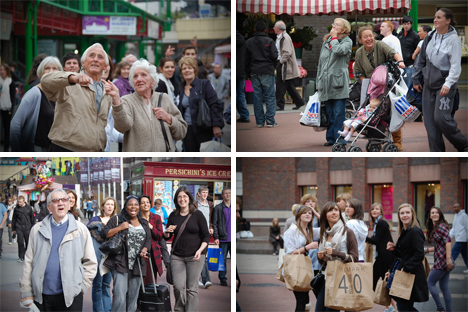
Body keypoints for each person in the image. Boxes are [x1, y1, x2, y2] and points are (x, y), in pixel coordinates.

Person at [19, 189, 97, 311]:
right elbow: (28, 262)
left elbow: (91, 262)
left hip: (71, 296)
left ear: (69, 204)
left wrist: (81, 287)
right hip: (42, 296)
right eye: (56, 200)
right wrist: (26, 291)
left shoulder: (81, 230)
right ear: (49, 207)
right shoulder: (37, 230)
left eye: (64, 200)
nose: (60, 203)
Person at [413, 8, 468, 152]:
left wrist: (449, 83)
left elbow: (456, 66)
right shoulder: (430, 36)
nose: (434, 20)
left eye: (439, 17)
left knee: (441, 118)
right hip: (428, 86)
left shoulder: (454, 40)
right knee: (430, 123)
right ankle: (437, 154)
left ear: (448, 20)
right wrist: (416, 78)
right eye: (434, 17)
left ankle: (463, 145)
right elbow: (421, 60)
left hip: (444, 86)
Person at [41, 43, 112, 152]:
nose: (95, 60)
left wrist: (117, 100)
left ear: (106, 66)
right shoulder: (70, 82)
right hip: (65, 150)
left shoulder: (107, 91)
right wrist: (72, 78)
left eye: (100, 57)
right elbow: (45, 81)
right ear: (83, 63)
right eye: (91, 56)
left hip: (95, 152)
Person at [107, 58, 187, 152]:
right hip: (138, 161)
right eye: (135, 76)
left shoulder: (164, 98)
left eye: (143, 75)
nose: (139, 79)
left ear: (152, 81)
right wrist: (116, 99)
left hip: (164, 160)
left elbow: (181, 132)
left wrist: (169, 118)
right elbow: (122, 126)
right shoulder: (126, 100)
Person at [354, 26, 405, 151]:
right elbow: (359, 72)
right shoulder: (359, 53)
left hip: (387, 84)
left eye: (371, 35)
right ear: (360, 39)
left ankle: (397, 141)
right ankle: (376, 140)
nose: (369, 38)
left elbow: (393, 53)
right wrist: (368, 84)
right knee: (372, 112)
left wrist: (400, 62)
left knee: (390, 111)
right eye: (365, 37)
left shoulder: (380, 45)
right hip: (371, 88)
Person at [101, 195, 151, 312]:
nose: (133, 207)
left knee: (133, 297)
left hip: (137, 263)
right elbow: (104, 233)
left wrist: (145, 249)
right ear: (125, 206)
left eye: (136, 204)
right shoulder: (117, 220)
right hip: (120, 262)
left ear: (139, 207)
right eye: (130, 204)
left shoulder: (143, 222)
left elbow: (148, 240)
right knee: (119, 296)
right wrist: (119, 228)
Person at [163, 186, 210, 312]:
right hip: (177, 256)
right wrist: (167, 231)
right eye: (179, 197)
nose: (182, 199)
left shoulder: (197, 214)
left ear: (189, 198)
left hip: (195, 256)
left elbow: (206, 235)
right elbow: (167, 236)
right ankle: (179, 309)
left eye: (184, 196)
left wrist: (200, 250)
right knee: (178, 287)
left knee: (191, 287)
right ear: (176, 199)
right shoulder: (173, 215)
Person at [315, 201, 359, 312]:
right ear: (325, 215)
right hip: (327, 278)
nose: (334, 213)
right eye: (330, 210)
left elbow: (355, 257)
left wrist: (336, 253)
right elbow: (324, 263)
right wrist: (320, 257)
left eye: (336, 210)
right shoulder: (324, 234)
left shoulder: (348, 232)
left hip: (342, 280)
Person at [385, 203, 429, 311]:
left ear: (412, 214)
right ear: (399, 216)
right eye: (402, 213)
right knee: (404, 306)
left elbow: (419, 254)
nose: (405, 215)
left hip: (411, 275)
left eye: (407, 213)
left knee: (404, 307)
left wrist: (406, 268)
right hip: (405, 272)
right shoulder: (405, 230)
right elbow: (404, 253)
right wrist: (394, 249)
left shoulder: (414, 231)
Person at [316, 18, 353, 146]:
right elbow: (321, 63)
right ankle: (331, 138)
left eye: (337, 25)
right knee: (330, 113)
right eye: (333, 24)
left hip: (338, 82)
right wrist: (318, 82)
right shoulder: (326, 42)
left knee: (338, 113)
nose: (333, 26)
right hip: (325, 82)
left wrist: (334, 38)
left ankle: (340, 138)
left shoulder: (347, 41)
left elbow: (339, 51)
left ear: (343, 29)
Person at [177, 56, 223, 151]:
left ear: (195, 70)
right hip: (187, 130)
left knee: (205, 158)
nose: (187, 70)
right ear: (181, 72)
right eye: (184, 68)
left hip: (204, 128)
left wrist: (216, 125)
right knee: (192, 158)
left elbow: (214, 105)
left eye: (189, 68)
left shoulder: (205, 84)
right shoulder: (181, 87)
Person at [283, 205, 320, 311]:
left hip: (305, 267)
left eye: (310, 213)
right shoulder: (292, 230)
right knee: (301, 299)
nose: (308, 214)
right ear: (299, 216)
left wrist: (316, 213)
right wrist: (308, 247)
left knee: (304, 300)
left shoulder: (310, 230)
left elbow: (327, 228)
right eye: (305, 213)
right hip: (296, 267)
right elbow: (290, 252)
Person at [245, 20, 278, 128]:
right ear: (265, 30)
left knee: (257, 97)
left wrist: (248, 73)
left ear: (254, 30)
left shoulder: (248, 42)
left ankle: (259, 122)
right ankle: (270, 120)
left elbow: (246, 59)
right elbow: (274, 56)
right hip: (267, 70)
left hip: (254, 71)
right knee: (270, 97)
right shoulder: (269, 41)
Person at [87, 197, 118, 312]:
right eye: (107, 204)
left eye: (112, 204)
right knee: (97, 286)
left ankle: (107, 309)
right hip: (98, 257)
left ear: (114, 207)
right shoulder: (95, 219)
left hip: (110, 258)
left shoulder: (116, 221)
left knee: (106, 285)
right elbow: (87, 234)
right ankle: (99, 310)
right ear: (103, 206)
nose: (110, 206)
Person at [365, 203, 396, 312]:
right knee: (382, 282)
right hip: (382, 257)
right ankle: (390, 307)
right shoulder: (378, 224)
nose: (374, 211)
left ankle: (393, 308)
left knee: (380, 282)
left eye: (376, 209)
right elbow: (375, 239)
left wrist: (363, 237)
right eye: (372, 209)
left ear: (381, 211)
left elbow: (376, 240)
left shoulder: (381, 223)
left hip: (385, 257)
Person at [425, 206, 454, 312]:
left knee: (430, 283)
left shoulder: (442, 226)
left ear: (440, 214)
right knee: (444, 287)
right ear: (430, 215)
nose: (434, 214)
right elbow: (439, 246)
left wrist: (448, 259)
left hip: (443, 260)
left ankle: (440, 308)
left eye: (436, 212)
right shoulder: (436, 227)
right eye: (432, 213)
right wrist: (427, 250)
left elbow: (448, 242)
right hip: (442, 259)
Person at [274, 21, 305, 111]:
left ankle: (280, 104)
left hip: (284, 65)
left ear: (279, 29)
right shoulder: (281, 37)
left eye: (274, 27)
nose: (273, 29)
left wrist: (280, 61)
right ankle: (299, 101)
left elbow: (287, 52)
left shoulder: (285, 38)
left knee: (280, 84)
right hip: (284, 64)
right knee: (288, 85)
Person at [139, 195, 164, 285]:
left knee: (151, 281)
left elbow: (160, 236)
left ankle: (149, 299)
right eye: (143, 202)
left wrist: (151, 227)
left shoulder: (156, 218)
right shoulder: (136, 218)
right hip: (139, 253)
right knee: (139, 281)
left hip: (153, 253)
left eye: (147, 202)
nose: (146, 204)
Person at [194, 186, 214, 288]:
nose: (205, 194)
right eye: (203, 192)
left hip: (205, 234)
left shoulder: (210, 205)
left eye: (206, 192)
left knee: (203, 257)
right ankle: (197, 279)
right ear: (199, 194)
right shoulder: (194, 205)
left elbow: (212, 219)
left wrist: (211, 227)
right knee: (196, 256)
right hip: (195, 234)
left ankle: (206, 280)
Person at [212, 188, 231, 286]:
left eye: (229, 193)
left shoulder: (234, 207)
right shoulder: (218, 208)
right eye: (226, 193)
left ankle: (236, 279)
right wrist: (216, 237)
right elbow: (214, 223)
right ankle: (223, 279)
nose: (228, 195)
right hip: (223, 238)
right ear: (222, 195)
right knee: (222, 259)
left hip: (233, 238)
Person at [397, 16, 421, 88]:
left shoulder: (415, 36)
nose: (406, 26)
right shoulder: (400, 35)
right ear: (402, 24)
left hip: (410, 64)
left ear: (411, 24)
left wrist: (413, 56)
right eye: (404, 24)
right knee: (401, 85)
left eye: (408, 24)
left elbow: (418, 49)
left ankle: (408, 99)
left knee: (408, 86)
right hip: (401, 64)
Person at [11, 195, 35, 262]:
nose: (19, 203)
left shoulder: (29, 208)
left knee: (28, 242)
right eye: (18, 202)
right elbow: (14, 219)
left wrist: (33, 227)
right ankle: (21, 257)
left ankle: (27, 256)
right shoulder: (16, 209)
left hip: (27, 227)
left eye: (20, 202)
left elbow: (32, 218)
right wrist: (13, 229)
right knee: (20, 242)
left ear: (24, 201)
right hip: (19, 227)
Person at [150, 199, 171, 270]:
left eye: (159, 206)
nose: (158, 207)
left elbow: (167, 219)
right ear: (154, 205)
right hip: (154, 232)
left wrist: (163, 221)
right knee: (153, 249)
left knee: (163, 248)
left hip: (162, 231)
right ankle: (153, 265)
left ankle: (168, 264)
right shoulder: (151, 210)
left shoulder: (163, 210)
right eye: (157, 206)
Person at [0, 63, 16, 151]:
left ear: (7, 71)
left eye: (4, 70)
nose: (2, 72)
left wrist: (11, 109)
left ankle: (6, 148)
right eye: (1, 70)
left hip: (7, 108)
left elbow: (13, 97)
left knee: (6, 129)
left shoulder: (10, 82)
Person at [449, 203, 468, 273]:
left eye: (456, 207)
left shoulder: (464, 216)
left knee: (454, 252)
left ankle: (449, 264)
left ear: (460, 207)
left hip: (462, 238)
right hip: (459, 238)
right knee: (465, 254)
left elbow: (467, 227)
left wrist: (467, 237)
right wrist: (449, 235)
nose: (455, 209)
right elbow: (454, 228)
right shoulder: (456, 216)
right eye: (453, 207)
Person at [236, 29, 250, 123]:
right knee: (240, 93)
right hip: (241, 70)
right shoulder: (242, 39)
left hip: (236, 70)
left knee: (237, 93)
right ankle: (244, 115)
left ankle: (243, 114)